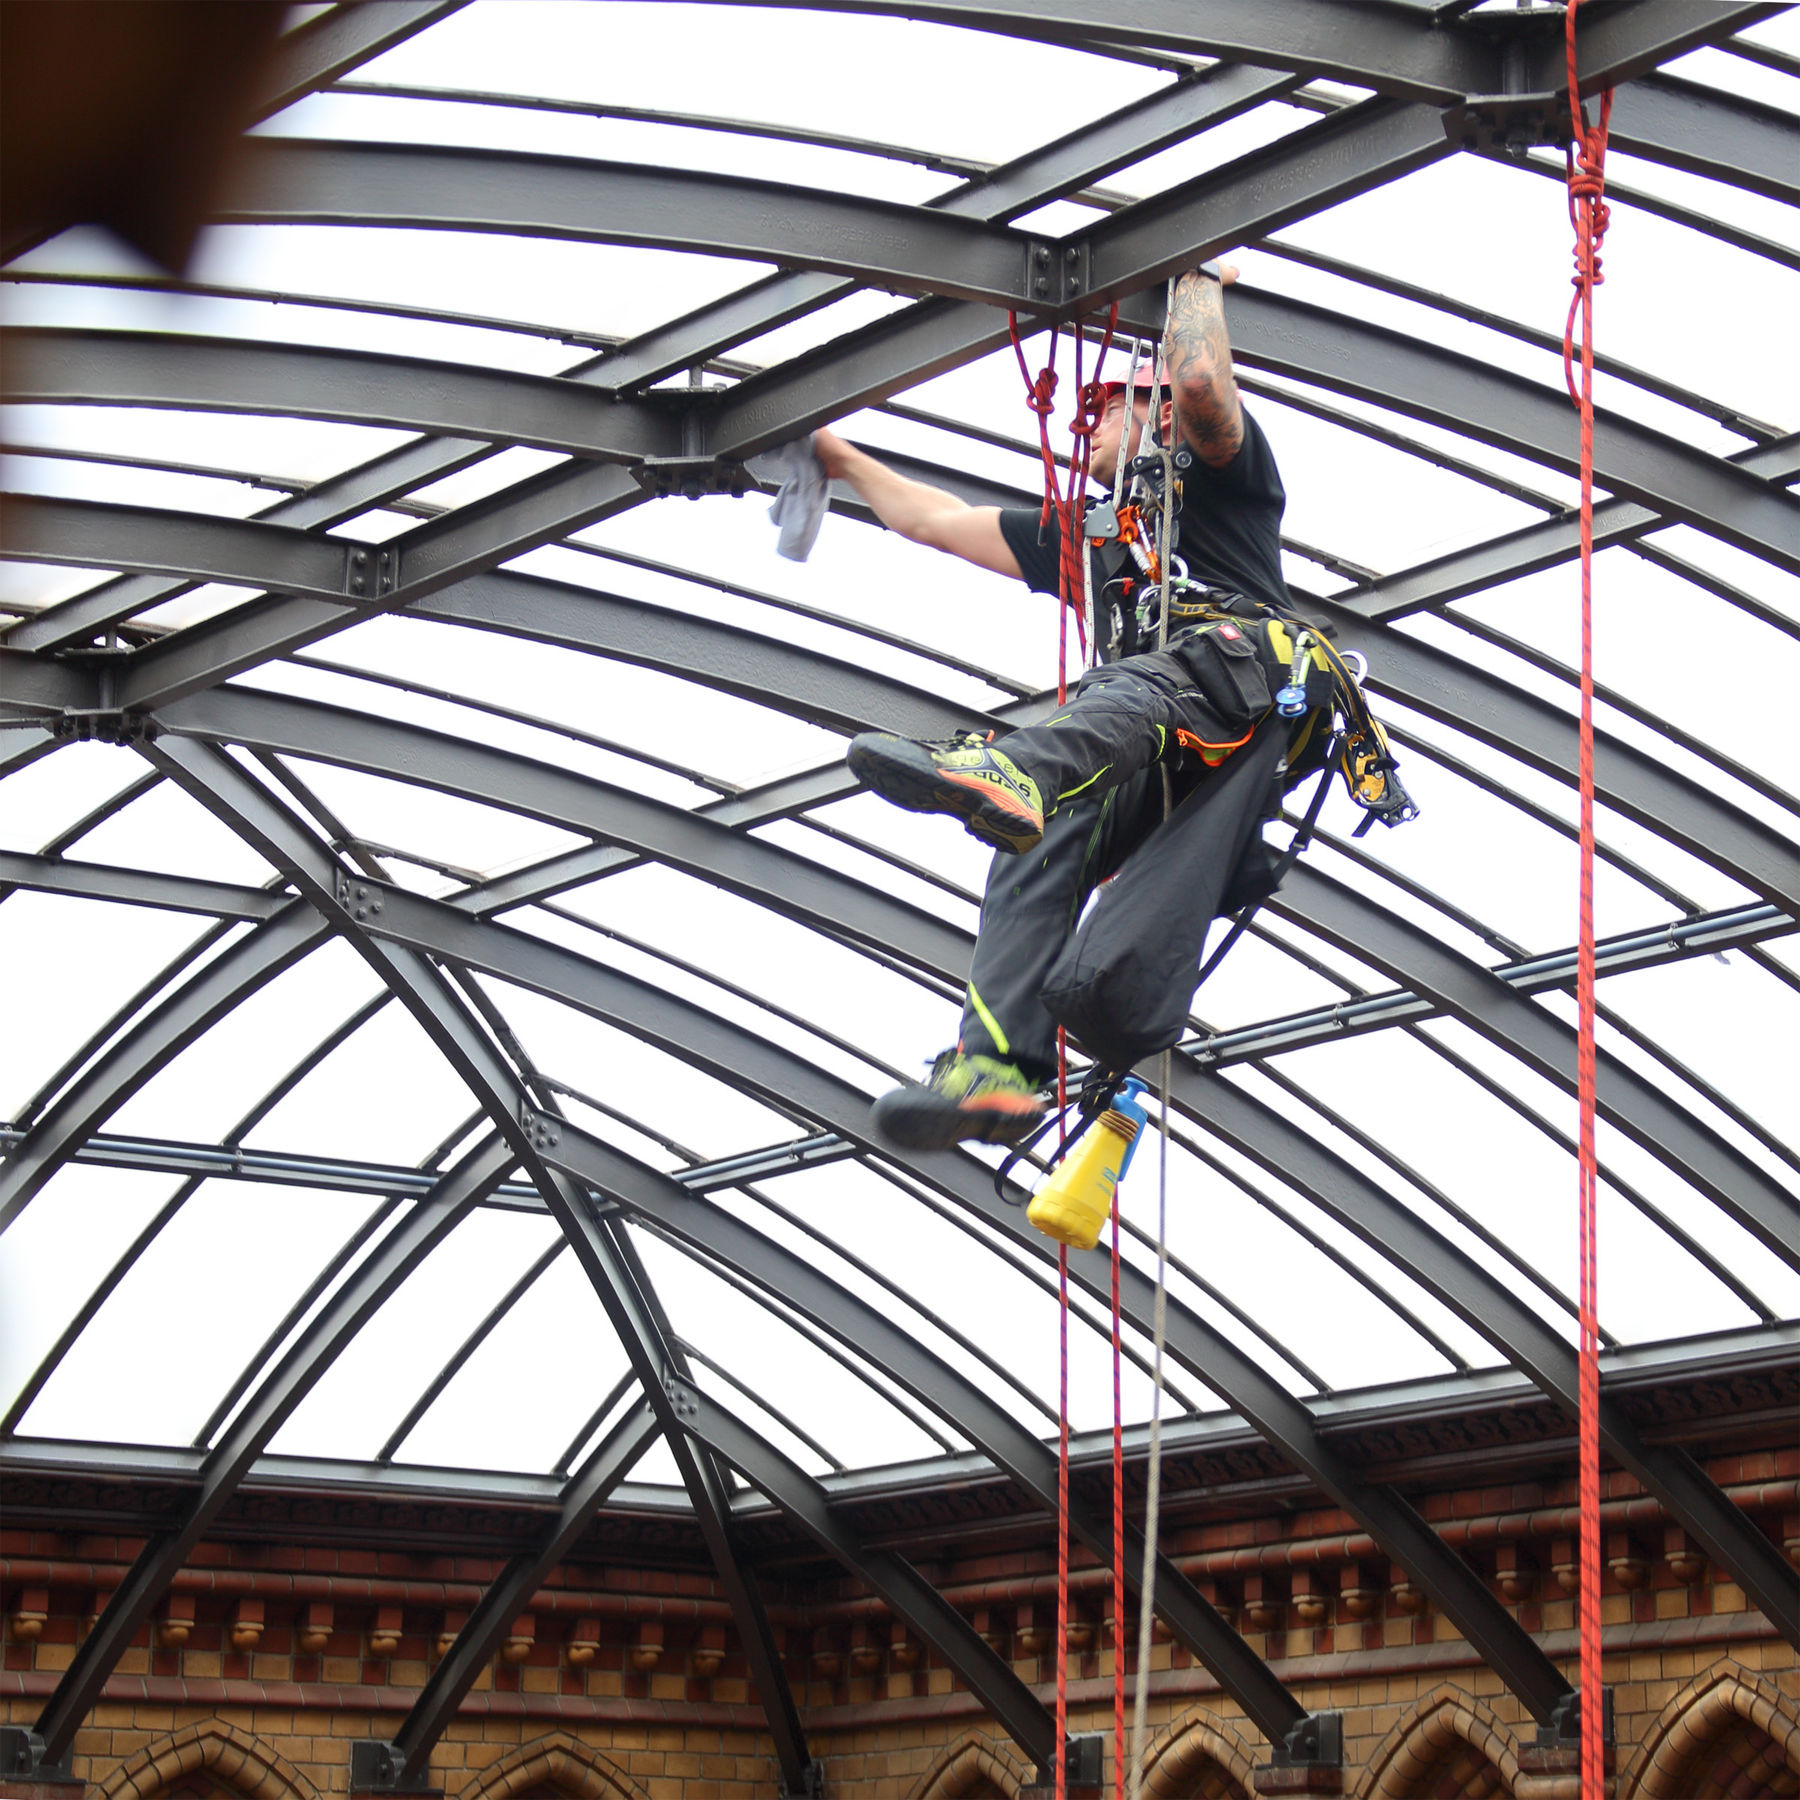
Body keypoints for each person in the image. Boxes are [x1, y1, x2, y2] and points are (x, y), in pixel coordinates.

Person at [813, 261, 1317, 1151]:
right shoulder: (1093, 536)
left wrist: (1197, 281)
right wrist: (837, 457)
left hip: (1243, 690)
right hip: (1151, 736)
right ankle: (999, 1071)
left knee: (1129, 687)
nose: (1089, 424)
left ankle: (1014, 771)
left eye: (1109, 407)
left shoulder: (1221, 481)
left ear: (1160, 412)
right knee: (1038, 837)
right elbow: (934, 520)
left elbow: (1204, 382)